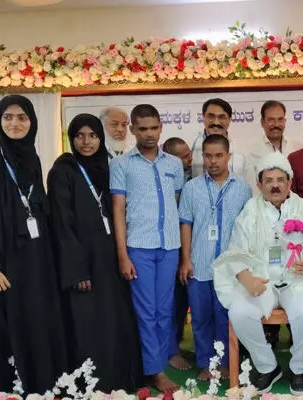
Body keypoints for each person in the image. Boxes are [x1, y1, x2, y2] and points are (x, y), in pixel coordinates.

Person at [0, 95, 67, 394]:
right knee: (3, 328)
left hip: (34, 259)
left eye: (22, 117)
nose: (15, 124)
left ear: (32, 122)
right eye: (8, 117)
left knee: (35, 320)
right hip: (2, 264)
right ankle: (5, 390)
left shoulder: (32, 158)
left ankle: (38, 383)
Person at [212, 152, 303, 395]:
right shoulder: (249, 210)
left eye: (280, 180)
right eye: (269, 180)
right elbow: (235, 250)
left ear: (289, 182)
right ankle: (267, 366)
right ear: (259, 185)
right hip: (262, 279)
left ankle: (300, 368)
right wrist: (245, 278)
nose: (275, 185)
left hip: (297, 279)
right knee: (239, 312)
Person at [47, 113, 142, 392]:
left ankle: (119, 381)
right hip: (83, 263)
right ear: (71, 138)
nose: (86, 142)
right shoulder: (62, 171)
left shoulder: (106, 168)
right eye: (79, 135)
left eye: (92, 135)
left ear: (101, 138)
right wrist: (77, 270)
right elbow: (61, 224)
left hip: (109, 259)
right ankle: (90, 384)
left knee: (114, 320)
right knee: (87, 324)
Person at [110, 104, 184, 393]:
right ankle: (154, 371)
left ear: (161, 127)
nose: (150, 134)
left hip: (169, 246)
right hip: (139, 247)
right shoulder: (121, 165)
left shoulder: (173, 164)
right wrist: (122, 255)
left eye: (154, 128)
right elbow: (118, 211)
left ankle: (159, 362)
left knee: (165, 309)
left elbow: (175, 203)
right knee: (146, 311)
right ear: (132, 130)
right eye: (143, 129)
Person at [178, 134, 251, 381]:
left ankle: (226, 363)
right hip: (199, 264)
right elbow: (186, 224)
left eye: (219, 155)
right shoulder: (192, 188)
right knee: (200, 318)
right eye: (208, 156)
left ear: (229, 156)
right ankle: (205, 364)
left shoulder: (243, 189)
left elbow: (248, 228)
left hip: (230, 269)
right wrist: (185, 259)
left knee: (225, 317)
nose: (213, 161)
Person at [163, 136, 194, 371]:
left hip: (192, 248)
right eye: (183, 157)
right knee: (172, 304)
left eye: (189, 155)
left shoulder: (192, 180)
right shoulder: (166, 181)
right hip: (170, 247)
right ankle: (170, 351)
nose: (189, 160)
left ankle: (178, 345)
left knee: (183, 300)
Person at [247, 101, 302, 194]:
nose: (276, 124)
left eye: (280, 119)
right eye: (271, 120)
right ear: (262, 122)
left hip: (292, 202)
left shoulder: (297, 147)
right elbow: (252, 187)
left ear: (285, 121)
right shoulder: (251, 151)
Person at [191, 98, 248, 182]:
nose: (216, 122)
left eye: (222, 117)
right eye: (211, 116)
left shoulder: (242, 150)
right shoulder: (190, 148)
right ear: (203, 117)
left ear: (229, 120)